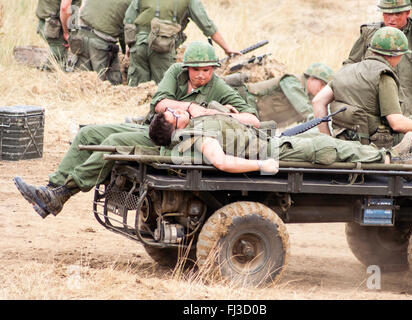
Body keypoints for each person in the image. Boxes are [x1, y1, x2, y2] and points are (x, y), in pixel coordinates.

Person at [13, 41, 258, 219]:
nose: (202, 76)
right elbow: (159, 103)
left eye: (207, 70)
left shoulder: (219, 86)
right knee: (87, 134)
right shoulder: (176, 73)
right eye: (196, 70)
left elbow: (253, 120)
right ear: (187, 68)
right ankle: (50, 190)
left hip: (172, 141)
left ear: (214, 69)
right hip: (150, 127)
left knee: (115, 141)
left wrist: (217, 113)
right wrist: (191, 106)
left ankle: (61, 194)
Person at [313, 26, 412, 168]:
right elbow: (397, 123)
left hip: (345, 139)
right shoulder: (383, 76)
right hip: (378, 143)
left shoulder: (345, 71)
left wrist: (329, 139)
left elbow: (318, 102)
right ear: (394, 55)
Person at [148, 110, 412, 175]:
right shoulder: (197, 137)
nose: (177, 109)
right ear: (174, 126)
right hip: (269, 150)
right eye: (171, 114)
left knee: (315, 135)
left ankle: (389, 152)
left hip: (268, 139)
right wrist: (261, 164)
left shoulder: (195, 124)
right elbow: (221, 161)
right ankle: (395, 161)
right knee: (326, 148)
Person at [343, 0, 412, 116]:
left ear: (407, 13)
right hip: (382, 102)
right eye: (387, 14)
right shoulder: (370, 34)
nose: (391, 19)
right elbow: (351, 65)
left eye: (397, 14)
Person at [123, 0, 241, 86]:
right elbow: (206, 25)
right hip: (163, 48)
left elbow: (129, 18)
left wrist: (130, 43)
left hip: (138, 45)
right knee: (163, 89)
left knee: (137, 90)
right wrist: (226, 48)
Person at [223, 62, 334, 128]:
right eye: (322, 84)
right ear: (311, 78)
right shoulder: (292, 81)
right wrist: (318, 118)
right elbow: (305, 111)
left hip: (252, 119)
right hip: (241, 99)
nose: (322, 89)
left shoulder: (308, 99)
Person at [60, 0, 132, 85]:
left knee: (79, 81)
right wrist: (126, 52)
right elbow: (126, 29)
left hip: (80, 35)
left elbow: (76, 9)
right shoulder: (130, 2)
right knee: (108, 84)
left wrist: (68, 32)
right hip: (101, 43)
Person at [35, 0, 81, 69]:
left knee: (56, 58)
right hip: (56, 26)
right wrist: (66, 33)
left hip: (45, 21)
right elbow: (64, 8)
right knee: (57, 64)